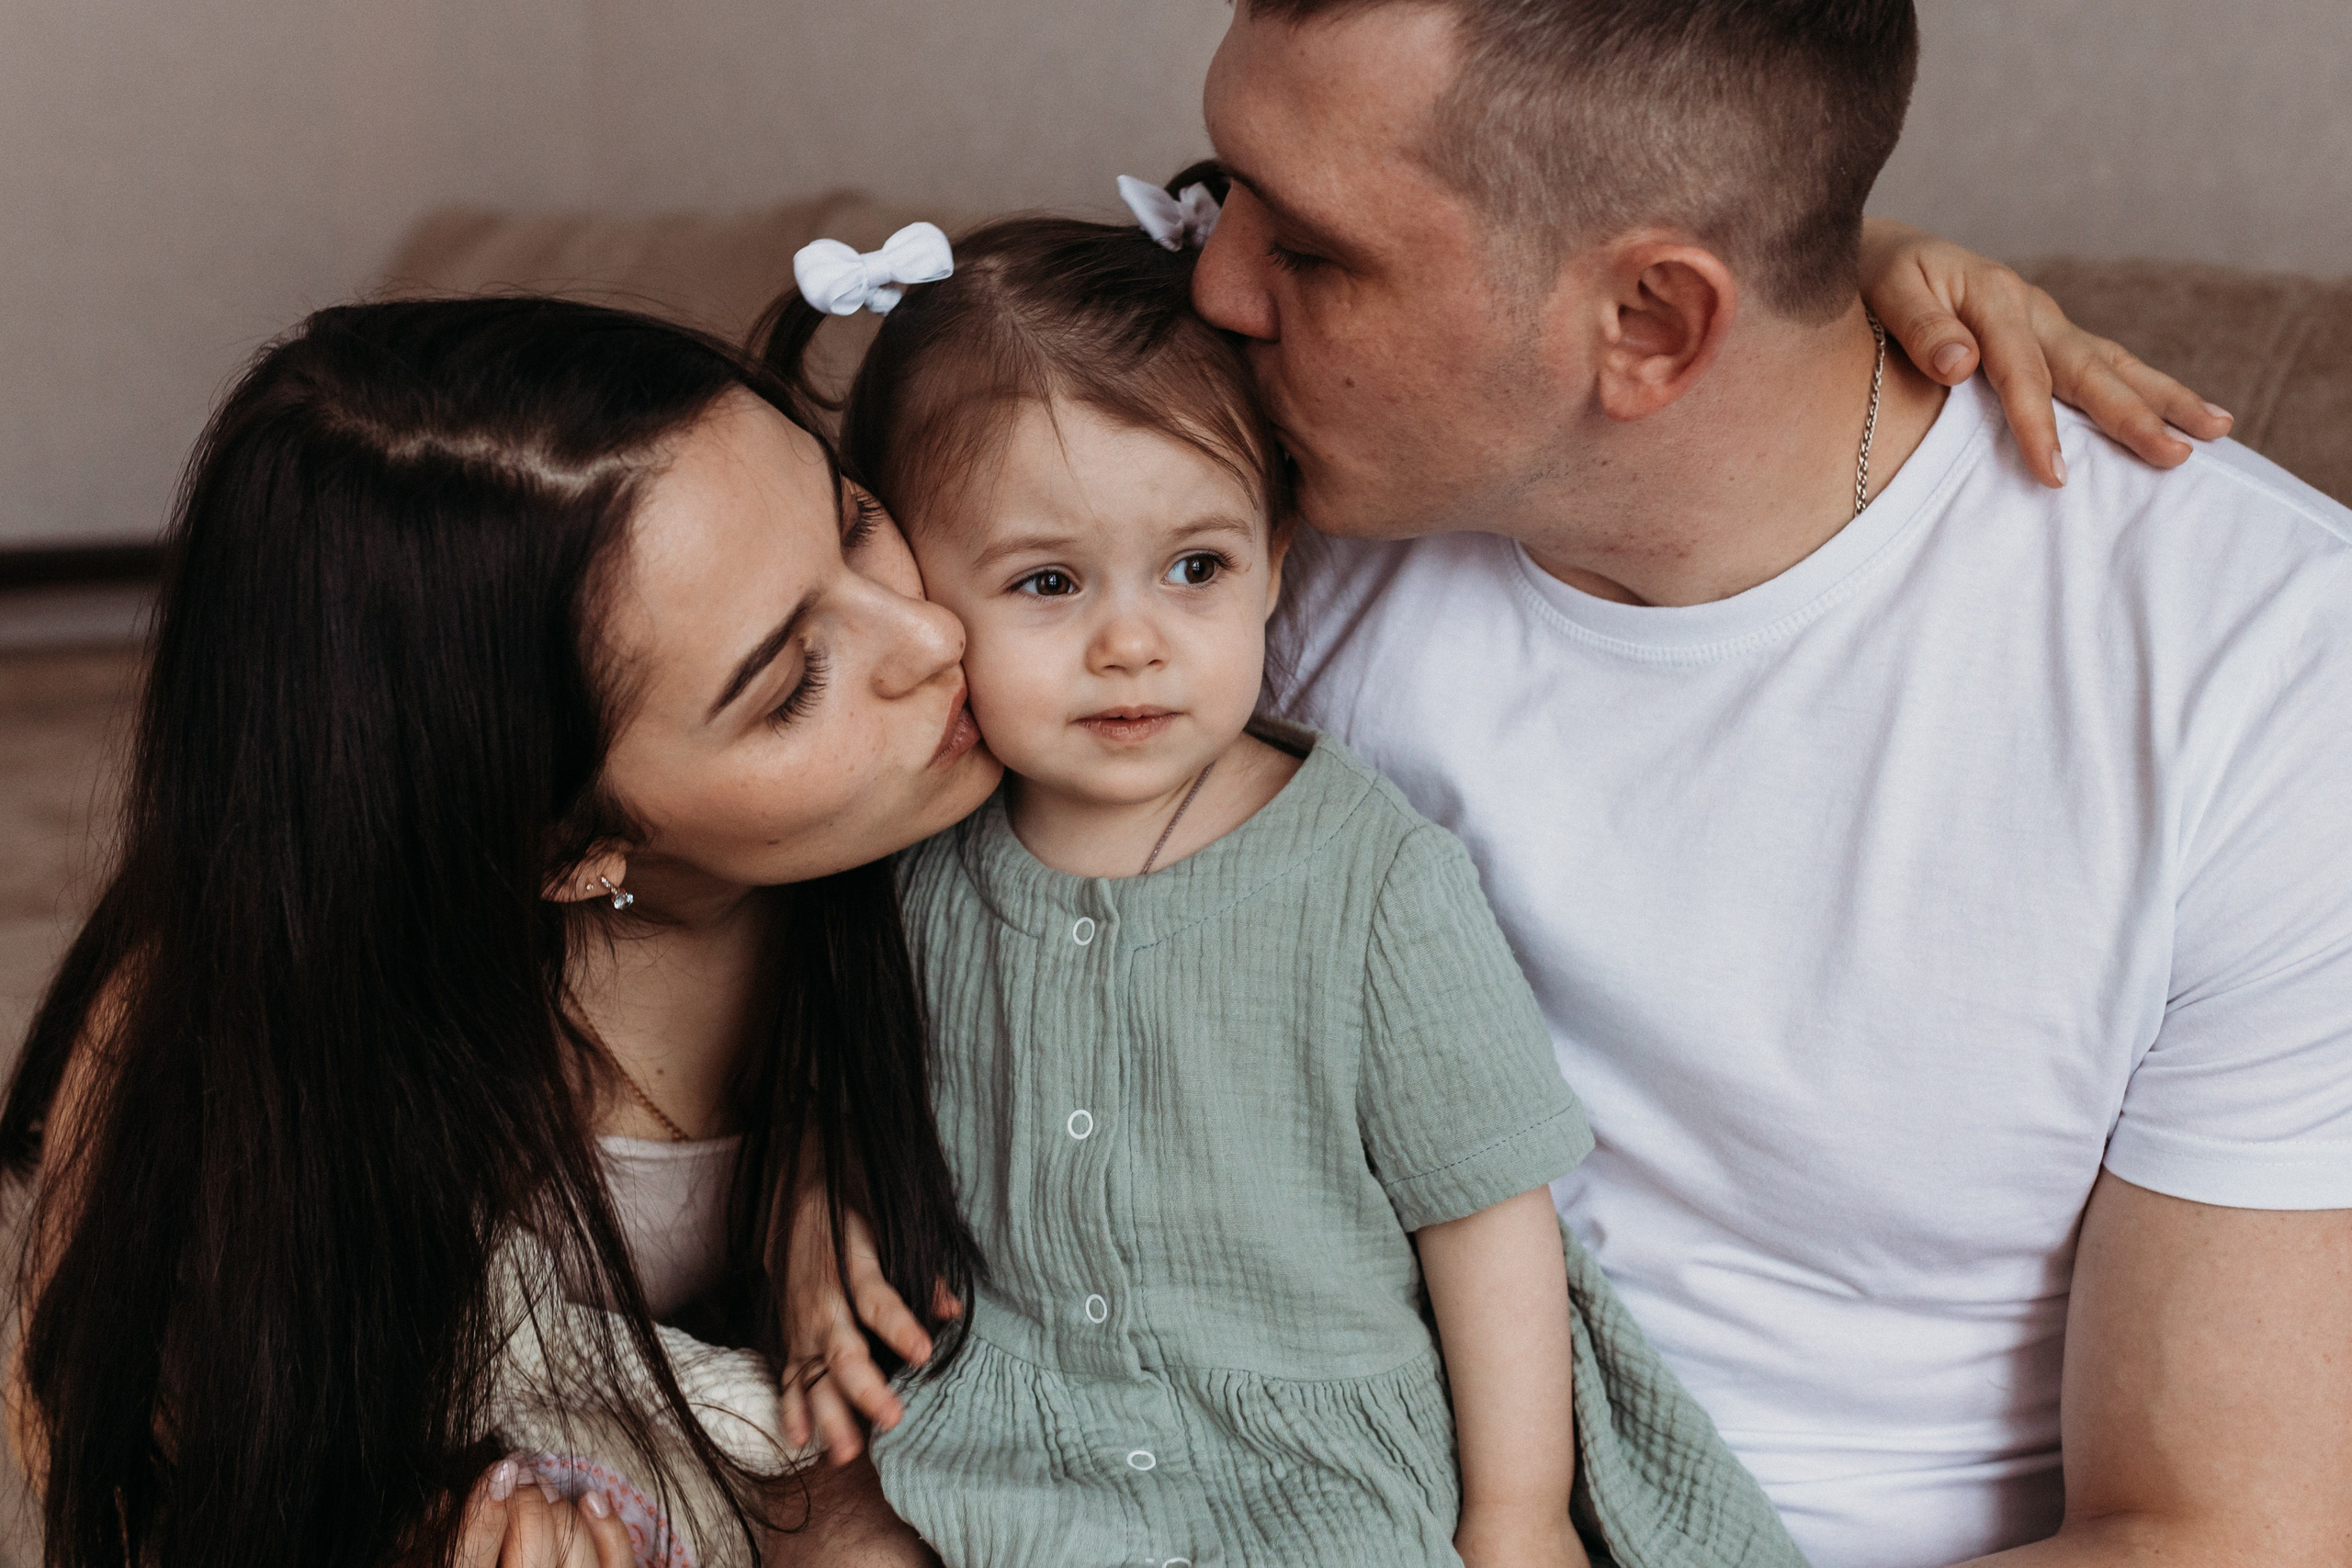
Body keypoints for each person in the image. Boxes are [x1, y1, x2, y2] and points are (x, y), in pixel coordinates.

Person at [1184, 3, 2348, 1565]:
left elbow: (2219, 1537)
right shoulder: (1222, 517)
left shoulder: (2260, 684)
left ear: (1656, 324)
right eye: (1214, 184)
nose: (1213, 283)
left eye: (1315, 254)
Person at [758, 204, 1801, 1568]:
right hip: (1015, 1454)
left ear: (1275, 568)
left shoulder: (1368, 876)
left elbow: (1485, 1220)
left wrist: (1518, 1515)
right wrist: (808, 1214)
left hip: (1314, 1477)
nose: (1133, 643)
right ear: (917, 591)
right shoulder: (908, 867)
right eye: (1048, 582)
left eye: (1197, 568)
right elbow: (833, 1093)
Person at [0, 297, 999, 1567]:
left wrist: (838, 1138)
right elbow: (142, 1456)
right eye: (791, 683)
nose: (935, 636)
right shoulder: (235, 1052)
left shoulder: (995, 821)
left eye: (855, 516)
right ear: (568, 851)